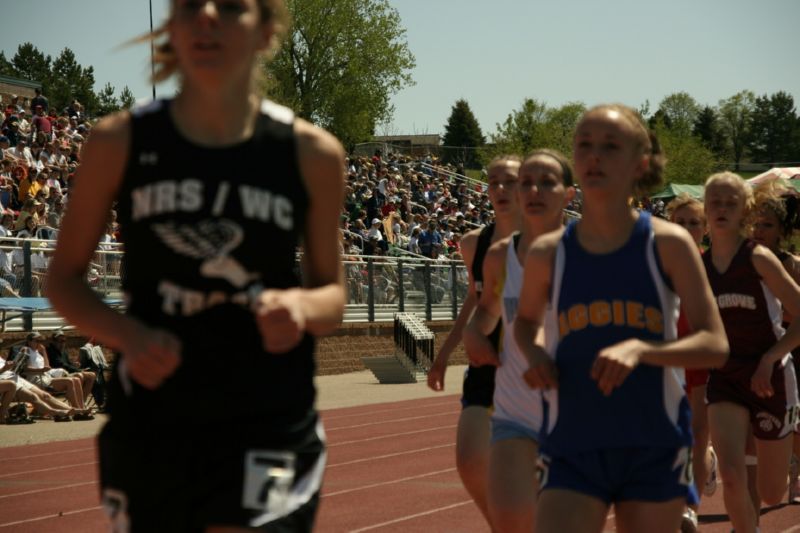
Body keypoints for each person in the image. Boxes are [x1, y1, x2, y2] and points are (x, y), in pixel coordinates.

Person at [46, 1, 346, 531]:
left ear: (267, 29)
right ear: (174, 27)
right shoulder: (118, 141)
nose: (207, 15)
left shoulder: (311, 153)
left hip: (269, 413)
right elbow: (64, 279)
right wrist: (129, 336)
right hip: (156, 418)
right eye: (189, 4)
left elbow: (332, 296)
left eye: (231, 5)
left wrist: (299, 306)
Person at [514, 104, 728, 533]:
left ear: (640, 163)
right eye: (584, 146)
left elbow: (715, 344)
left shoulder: (667, 244)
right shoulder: (548, 253)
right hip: (573, 436)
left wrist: (642, 348)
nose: (594, 156)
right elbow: (524, 323)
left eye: (610, 147)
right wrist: (535, 353)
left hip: (652, 439)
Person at [463, 150, 574, 532]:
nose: (533, 190)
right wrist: (474, 332)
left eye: (546, 182)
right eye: (525, 182)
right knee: (511, 519)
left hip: (574, 412)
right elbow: (488, 310)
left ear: (569, 195)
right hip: (514, 410)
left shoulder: (586, 254)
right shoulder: (498, 257)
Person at [702, 171, 800, 533]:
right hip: (726, 377)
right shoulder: (699, 264)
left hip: (770, 377)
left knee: (772, 493)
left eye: (731, 202)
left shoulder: (758, 258)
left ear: (744, 210)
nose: (723, 208)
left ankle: (787, 459)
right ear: (706, 209)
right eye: (716, 202)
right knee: (731, 475)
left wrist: (770, 358)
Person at [426, 155, 522, 523]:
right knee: (469, 460)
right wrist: (443, 355)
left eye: (509, 181)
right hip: (486, 365)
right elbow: (474, 298)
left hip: (536, 369)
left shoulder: (550, 242)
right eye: (493, 182)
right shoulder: (473, 245)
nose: (500, 189)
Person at [665, 194, 720, 532]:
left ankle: (690, 507)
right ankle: (708, 461)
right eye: (680, 221)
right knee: (671, 437)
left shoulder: (712, 265)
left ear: (706, 228)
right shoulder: (654, 261)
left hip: (699, 360)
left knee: (698, 434)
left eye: (694, 222)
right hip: (663, 359)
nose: (686, 228)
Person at [751, 181, 800, 503]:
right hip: (754, 354)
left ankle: (795, 478)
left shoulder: (792, 265)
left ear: (781, 230)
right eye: (754, 224)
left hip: (791, 350)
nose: (758, 231)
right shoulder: (743, 262)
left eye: (766, 225)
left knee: (796, 429)